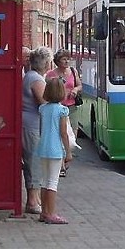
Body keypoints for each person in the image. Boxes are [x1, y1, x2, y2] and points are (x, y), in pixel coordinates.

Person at [35, 77, 73, 224]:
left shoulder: (42, 109)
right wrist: (68, 151)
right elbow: (63, 133)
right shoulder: (62, 110)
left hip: (43, 147)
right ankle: (51, 214)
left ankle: (44, 212)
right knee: (53, 182)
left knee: (44, 181)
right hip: (55, 149)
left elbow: (41, 129)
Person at [21, 46, 53, 214]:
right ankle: (32, 201)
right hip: (32, 126)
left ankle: (34, 198)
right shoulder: (37, 79)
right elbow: (44, 102)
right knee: (33, 162)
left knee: (31, 161)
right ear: (46, 63)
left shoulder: (29, 76)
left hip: (28, 123)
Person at [45, 49, 82, 176]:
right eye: (64, 59)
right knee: (61, 134)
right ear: (57, 62)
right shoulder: (51, 74)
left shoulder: (72, 71)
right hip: (58, 107)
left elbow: (79, 85)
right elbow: (47, 90)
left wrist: (76, 90)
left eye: (68, 59)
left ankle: (66, 159)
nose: (67, 61)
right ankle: (61, 165)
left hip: (71, 107)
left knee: (73, 134)